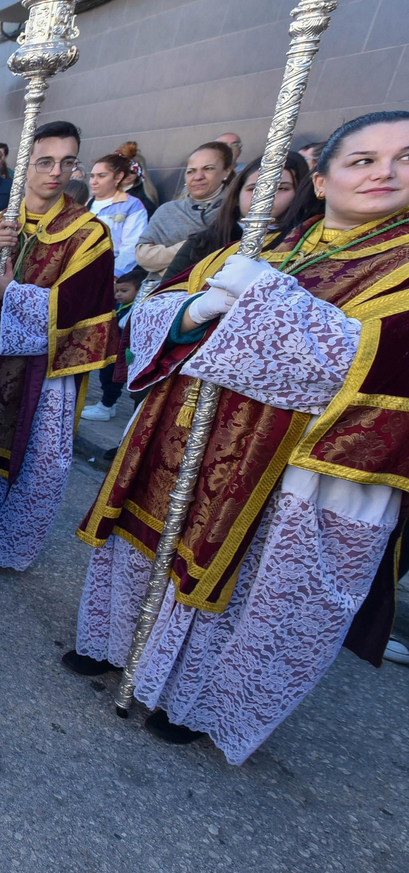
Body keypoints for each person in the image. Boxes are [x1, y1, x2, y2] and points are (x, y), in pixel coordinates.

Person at [69, 111, 409, 763]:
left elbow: (349, 364)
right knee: (151, 550)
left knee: (250, 592)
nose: (384, 172)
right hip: (185, 433)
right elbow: (159, 314)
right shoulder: (265, 246)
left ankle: (192, 702)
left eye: (403, 158)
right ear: (330, 174)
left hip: (292, 469)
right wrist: (195, 310)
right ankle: (117, 648)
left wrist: (265, 307)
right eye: (364, 160)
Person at [0, 120, 116, 571]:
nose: (56, 172)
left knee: (34, 457)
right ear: (24, 166)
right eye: (45, 161)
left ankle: (2, 545)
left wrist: (12, 293)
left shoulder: (88, 234)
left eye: (67, 162)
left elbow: (82, 311)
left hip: (41, 375)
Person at [160, 152, 309, 283]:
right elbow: (160, 298)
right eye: (253, 188)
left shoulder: (308, 243)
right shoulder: (202, 243)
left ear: (300, 194)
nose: (264, 196)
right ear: (237, 196)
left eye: (282, 188)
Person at [134, 141, 234, 276]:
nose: (198, 177)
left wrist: (166, 262)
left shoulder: (236, 209)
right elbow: (143, 255)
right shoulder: (167, 210)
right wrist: (190, 248)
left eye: (208, 168)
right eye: (191, 171)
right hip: (163, 289)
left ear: (226, 171)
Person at [79, 267, 144, 424]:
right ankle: (108, 405)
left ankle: (106, 406)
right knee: (105, 376)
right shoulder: (119, 305)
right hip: (111, 349)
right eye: (117, 291)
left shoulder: (135, 309)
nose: (118, 294)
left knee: (113, 379)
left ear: (139, 291)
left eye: (124, 290)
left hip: (122, 352)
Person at [85, 153, 149, 278]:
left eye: (101, 176)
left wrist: (114, 275)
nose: (94, 181)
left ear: (118, 177)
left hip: (108, 271)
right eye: (92, 176)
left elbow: (130, 246)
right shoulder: (85, 203)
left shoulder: (132, 205)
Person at [115, 141, 160, 215]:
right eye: (124, 171)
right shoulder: (106, 190)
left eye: (133, 171)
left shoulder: (145, 194)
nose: (128, 175)